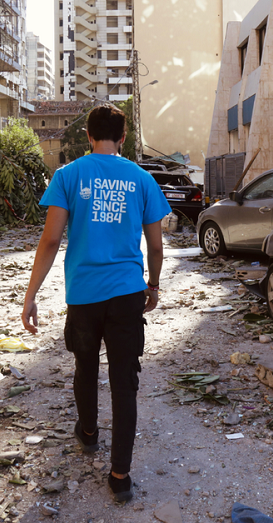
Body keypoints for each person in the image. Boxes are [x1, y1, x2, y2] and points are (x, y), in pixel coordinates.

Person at [21, 105, 171, 503]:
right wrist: (152, 285)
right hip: (126, 295)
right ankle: (120, 475)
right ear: (124, 138)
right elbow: (155, 245)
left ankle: (88, 434)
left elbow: (51, 241)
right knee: (125, 382)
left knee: (85, 367)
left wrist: (31, 293)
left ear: (87, 136)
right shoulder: (141, 179)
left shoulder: (67, 175)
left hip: (83, 297)